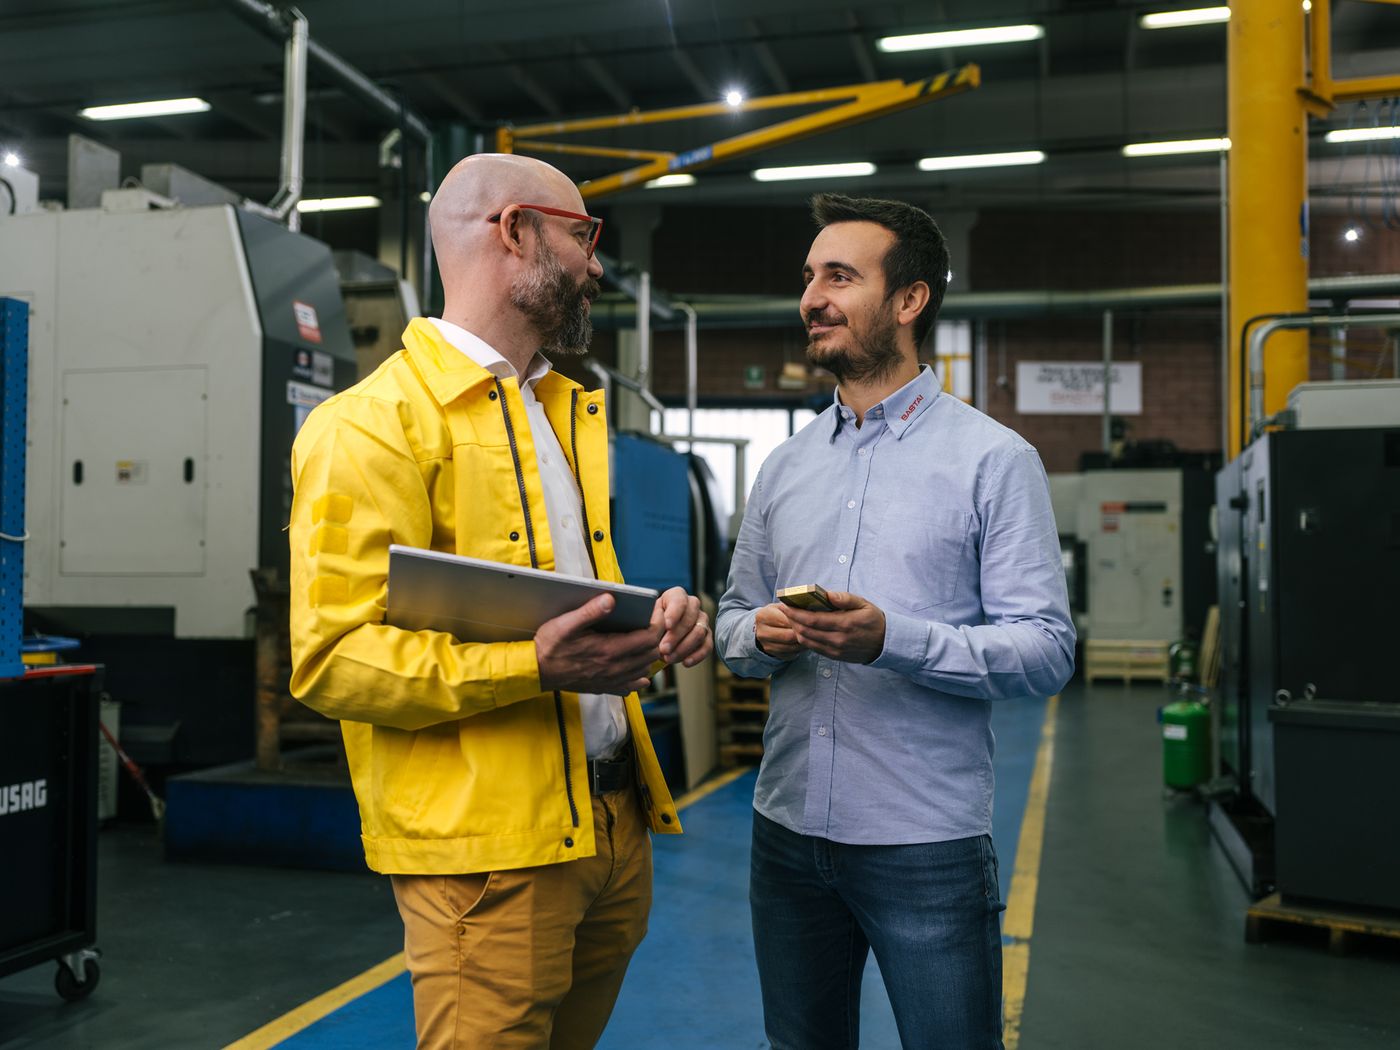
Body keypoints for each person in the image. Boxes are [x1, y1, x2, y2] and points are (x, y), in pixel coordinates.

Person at [288, 153, 712, 1050]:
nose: (596, 263)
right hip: (490, 856)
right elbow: (332, 659)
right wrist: (533, 666)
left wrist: (654, 619)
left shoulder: (556, 411)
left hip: (608, 823)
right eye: (582, 234)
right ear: (514, 233)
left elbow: (565, 601)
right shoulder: (370, 427)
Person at [716, 193, 1074, 1050]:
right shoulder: (786, 467)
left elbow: (1047, 648)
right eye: (809, 278)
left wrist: (894, 641)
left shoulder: (993, 460)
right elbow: (731, 619)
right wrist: (758, 638)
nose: (812, 298)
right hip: (787, 835)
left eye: (839, 276)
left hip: (925, 846)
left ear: (908, 301)